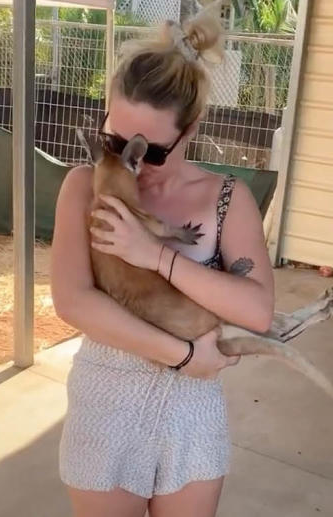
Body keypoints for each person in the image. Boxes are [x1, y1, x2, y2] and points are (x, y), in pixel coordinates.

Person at [51, 3, 275, 517]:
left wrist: (156, 255)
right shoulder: (84, 185)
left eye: (150, 151)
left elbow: (257, 311)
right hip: (107, 399)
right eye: (115, 139)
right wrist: (184, 356)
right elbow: (74, 301)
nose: (132, 161)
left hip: (190, 413)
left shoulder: (226, 197)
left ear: (191, 129)